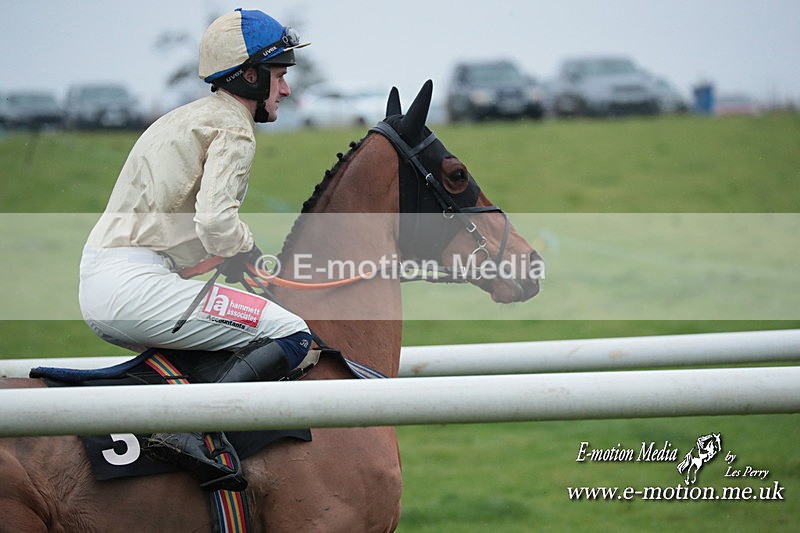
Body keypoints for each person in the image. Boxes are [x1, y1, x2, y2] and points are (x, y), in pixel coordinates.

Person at [78, 9, 312, 491]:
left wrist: (229, 259)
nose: (285, 89)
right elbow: (216, 222)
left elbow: (179, 223)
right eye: (279, 74)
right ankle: (190, 428)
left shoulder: (184, 117)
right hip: (133, 286)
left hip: (113, 276)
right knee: (291, 333)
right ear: (250, 75)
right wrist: (246, 252)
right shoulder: (234, 127)